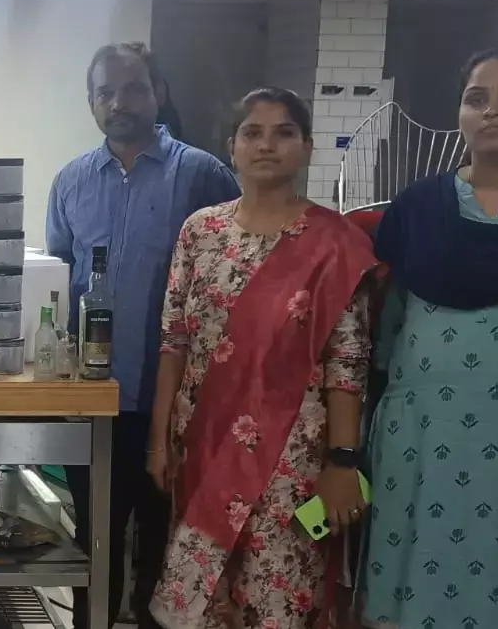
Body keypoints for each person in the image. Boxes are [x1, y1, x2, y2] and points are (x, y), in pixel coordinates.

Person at [147, 88, 376, 628]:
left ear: (307, 147)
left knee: (276, 604)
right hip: (203, 446)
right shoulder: (200, 233)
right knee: (204, 601)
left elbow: (347, 362)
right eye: (252, 132)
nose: (266, 145)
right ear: (232, 147)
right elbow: (174, 341)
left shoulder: (335, 244)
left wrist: (342, 462)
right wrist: (159, 439)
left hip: (290, 459)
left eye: (284, 133)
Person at [46, 41, 239, 629]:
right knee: (93, 545)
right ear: (90, 102)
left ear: (158, 94)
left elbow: (236, 279)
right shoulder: (71, 182)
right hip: (93, 403)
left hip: (174, 407)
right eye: (105, 92)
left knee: (167, 550)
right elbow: (57, 282)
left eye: (132, 89)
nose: (118, 103)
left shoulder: (202, 175)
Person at [361, 47, 498, 629]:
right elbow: (385, 327)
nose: (492, 110)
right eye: (477, 98)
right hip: (421, 433)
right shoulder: (418, 207)